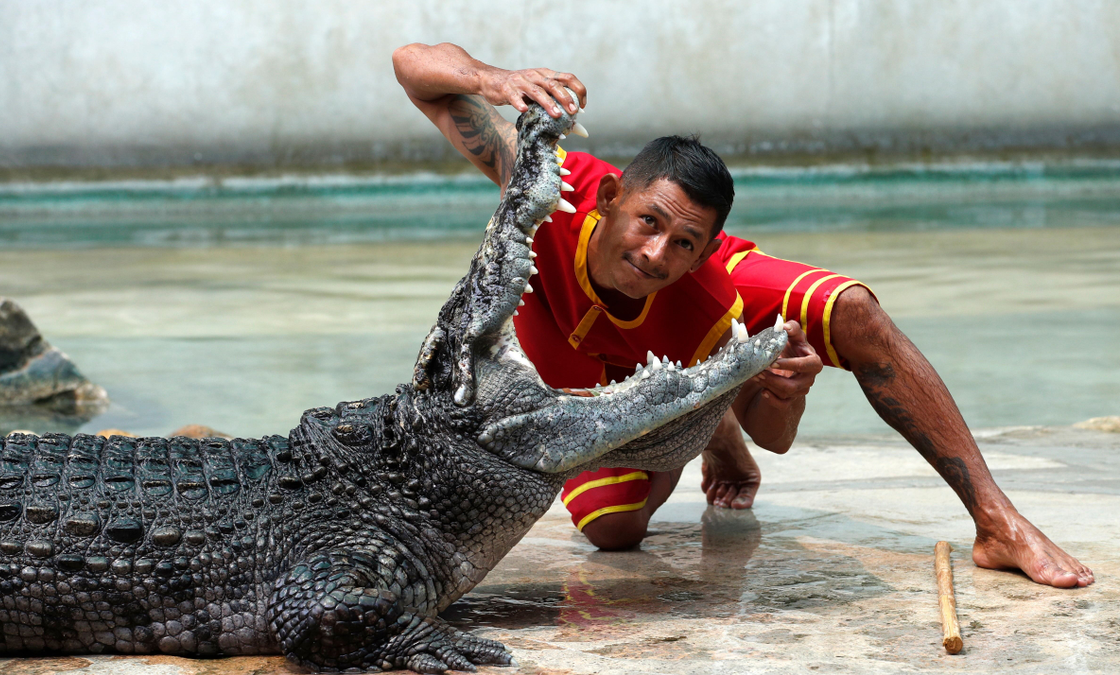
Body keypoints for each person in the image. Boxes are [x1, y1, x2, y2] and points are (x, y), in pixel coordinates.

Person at [392, 42, 1094, 588]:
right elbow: (411, 66)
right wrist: (490, 79)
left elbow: (777, 437)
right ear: (609, 199)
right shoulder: (554, 187)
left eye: (680, 244)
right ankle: (710, 429)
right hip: (565, 340)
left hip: (689, 314)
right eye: (645, 223)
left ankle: (997, 521)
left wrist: (786, 393)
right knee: (611, 529)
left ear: (700, 253)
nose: (653, 252)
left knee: (852, 311)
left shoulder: (701, 290)